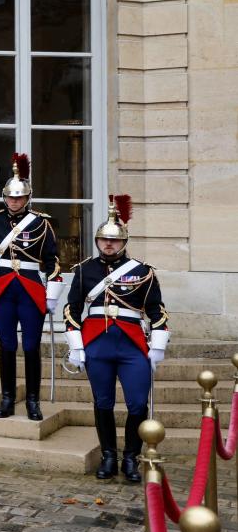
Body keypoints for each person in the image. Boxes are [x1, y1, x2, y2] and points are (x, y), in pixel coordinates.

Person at [64, 196, 168, 482]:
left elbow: (156, 309)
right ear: (97, 241)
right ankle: (109, 455)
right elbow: (72, 309)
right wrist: (76, 346)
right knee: (103, 402)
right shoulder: (85, 270)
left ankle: (131, 458)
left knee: (137, 403)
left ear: (124, 242)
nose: (108, 245)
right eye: (103, 240)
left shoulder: (142, 271)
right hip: (97, 342)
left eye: (114, 241)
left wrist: (157, 345)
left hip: (132, 344)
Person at [0, 153, 63, 420]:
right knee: (7, 345)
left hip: (31, 289)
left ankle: (33, 401)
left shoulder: (41, 222)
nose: (14, 201)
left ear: (27, 198)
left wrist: (52, 293)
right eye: (11, 197)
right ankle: (7, 397)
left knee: (32, 346)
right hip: (2, 288)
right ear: (4, 198)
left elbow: (53, 261)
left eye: (19, 197)